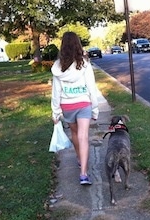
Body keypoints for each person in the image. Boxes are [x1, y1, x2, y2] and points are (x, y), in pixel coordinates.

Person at [51, 31, 99, 185]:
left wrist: (55, 111)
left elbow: (56, 91)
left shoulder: (58, 66)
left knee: (74, 133)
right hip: (84, 103)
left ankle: (79, 158)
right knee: (83, 136)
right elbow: (91, 86)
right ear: (78, 44)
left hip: (67, 106)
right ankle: (83, 174)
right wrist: (95, 108)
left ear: (63, 46)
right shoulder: (84, 63)